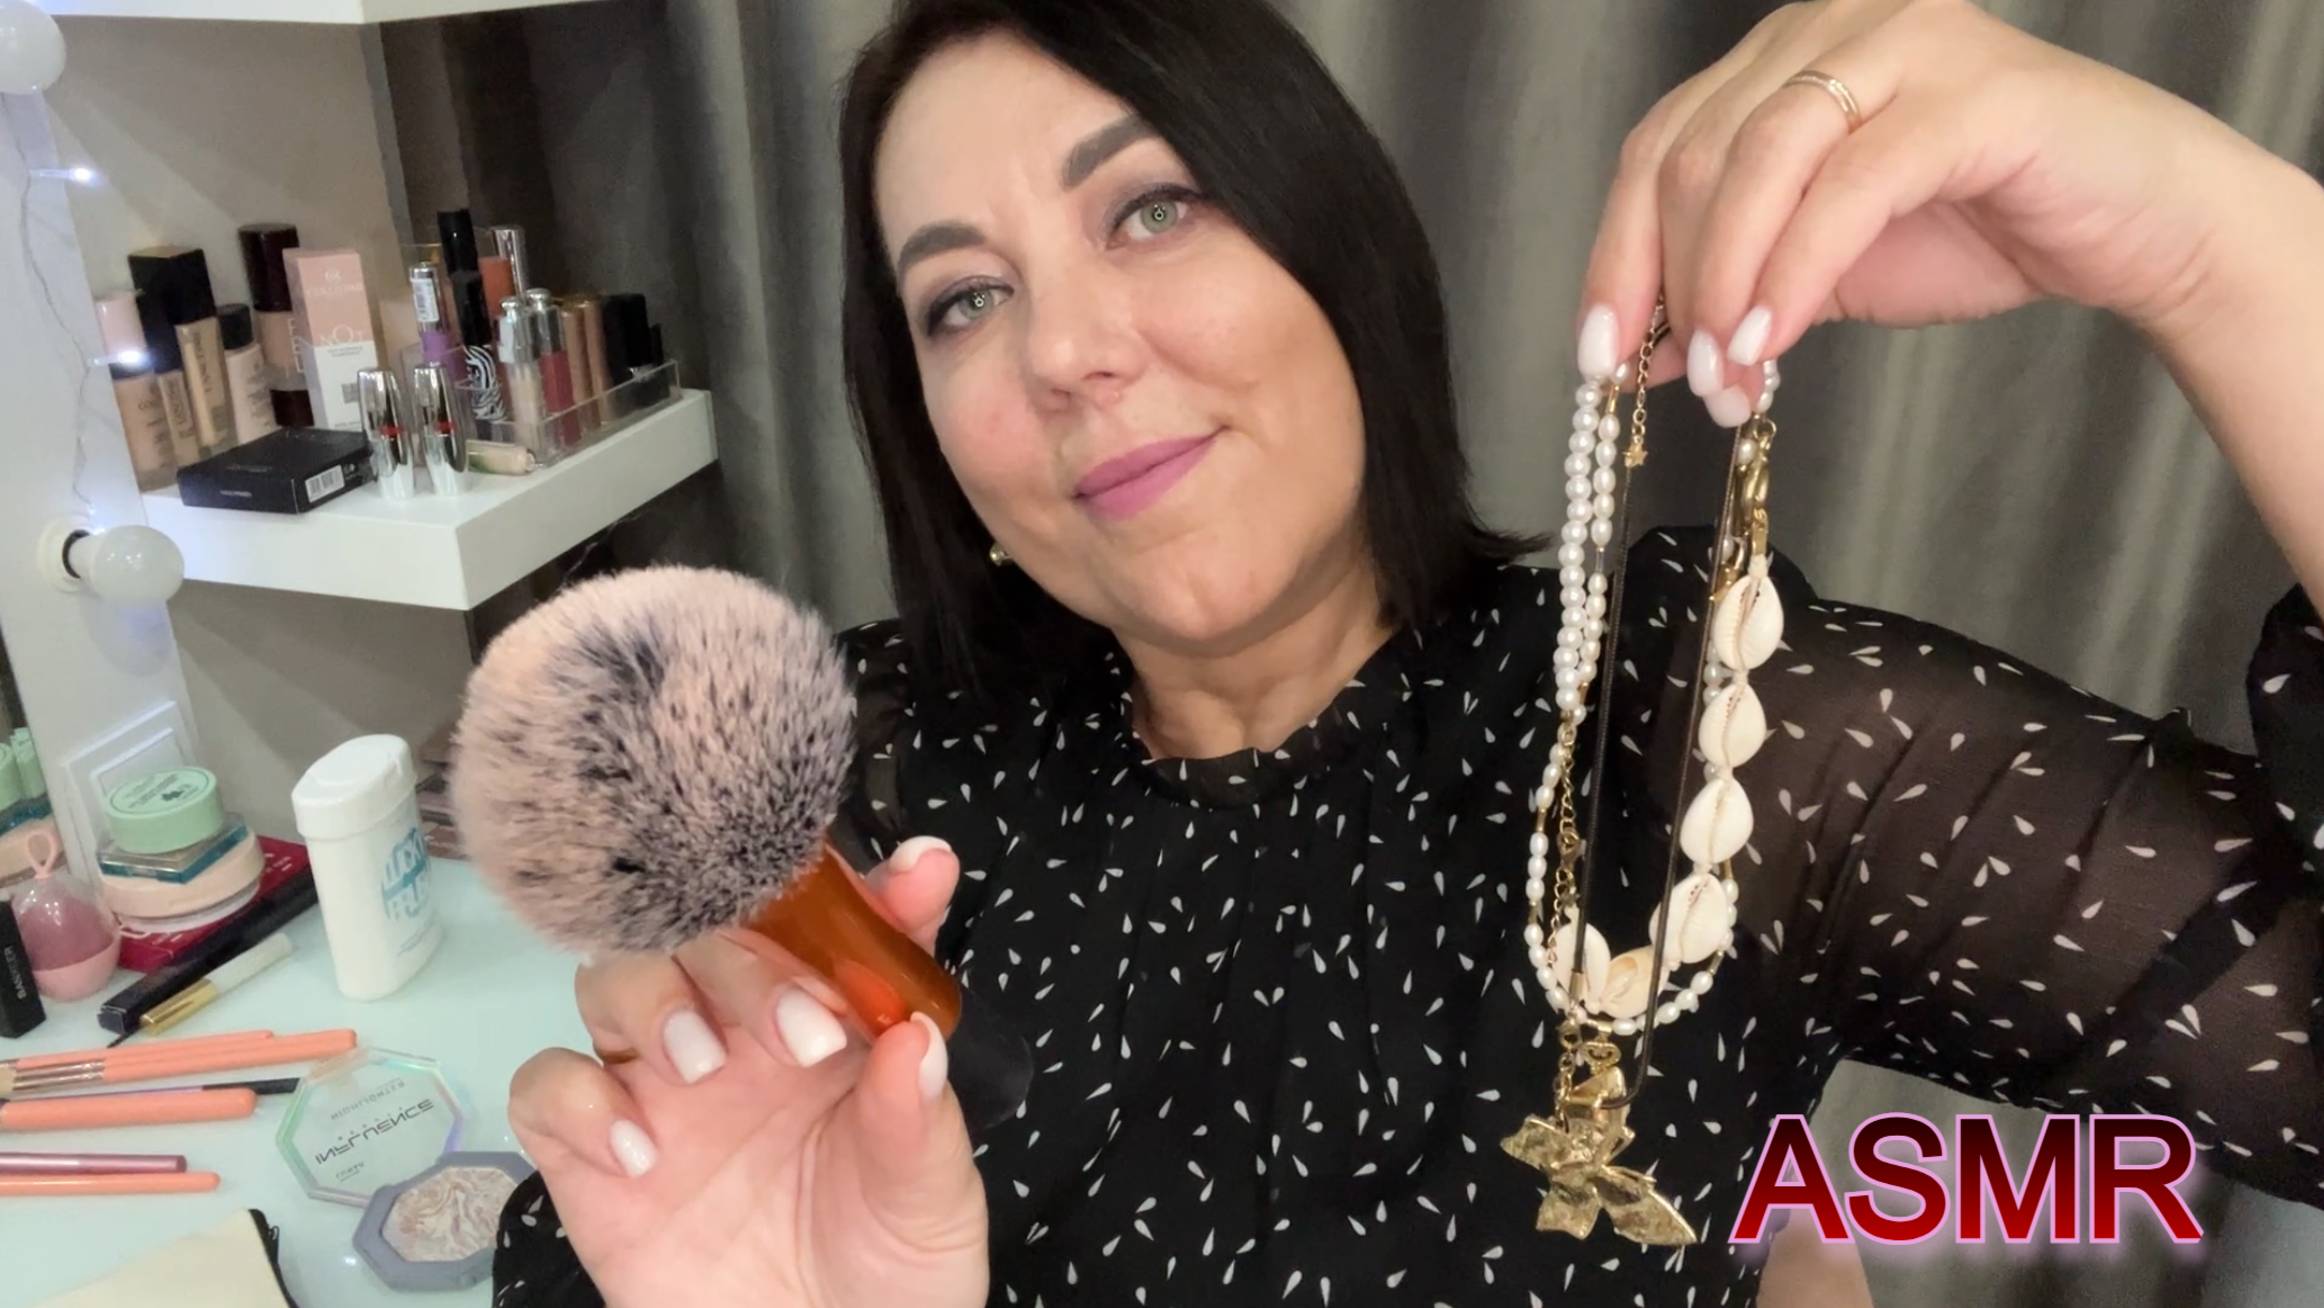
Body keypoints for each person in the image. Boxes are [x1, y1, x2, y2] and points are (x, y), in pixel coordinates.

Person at [489, 0, 2324, 1303]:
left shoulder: (1695, 725)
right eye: (964, 298)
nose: (1064, 352)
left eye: (1150, 207)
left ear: (1338, 255)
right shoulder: (857, 777)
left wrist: (2224, 249)